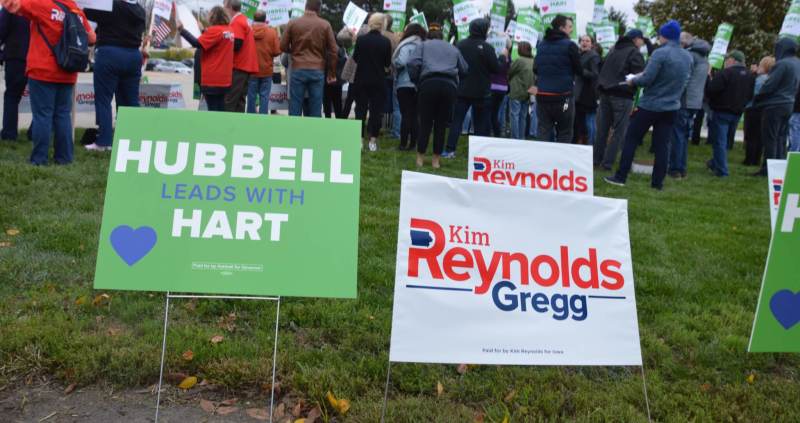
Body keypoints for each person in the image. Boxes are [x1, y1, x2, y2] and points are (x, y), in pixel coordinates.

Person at [1, 0, 95, 165]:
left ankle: (39, 159)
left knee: (42, 116)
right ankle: (64, 158)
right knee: (63, 115)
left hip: (42, 69)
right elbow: (92, 38)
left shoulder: (43, 4)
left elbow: (12, 4)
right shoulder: (76, 10)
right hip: (67, 71)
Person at [604, 20, 692, 191]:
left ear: (664, 36)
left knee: (631, 139)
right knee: (662, 145)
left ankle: (620, 177)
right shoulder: (687, 57)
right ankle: (657, 183)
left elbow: (647, 79)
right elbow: (685, 81)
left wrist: (633, 80)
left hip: (650, 105)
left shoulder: (660, 53)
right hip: (672, 107)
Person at [82, 0, 145, 152]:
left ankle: (104, 142)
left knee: (103, 100)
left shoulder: (111, 4)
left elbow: (87, 12)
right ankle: (133, 140)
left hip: (110, 53)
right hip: (134, 55)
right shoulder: (140, 10)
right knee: (130, 101)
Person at [407, 25, 468, 168]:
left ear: (429, 36)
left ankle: (420, 158)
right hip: (448, 86)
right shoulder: (453, 48)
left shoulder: (423, 45)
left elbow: (411, 63)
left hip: (428, 84)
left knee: (425, 123)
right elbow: (465, 69)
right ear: (442, 36)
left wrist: (416, 80)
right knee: (441, 124)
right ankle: (436, 160)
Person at [443, 18, 499, 158]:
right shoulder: (487, 48)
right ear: (483, 30)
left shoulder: (460, 45)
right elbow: (496, 69)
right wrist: (502, 59)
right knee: (480, 124)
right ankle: (479, 153)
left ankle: (450, 150)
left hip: (462, 89)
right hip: (482, 91)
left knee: (457, 121)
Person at [593, 29, 645, 169]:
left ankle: (596, 160)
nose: (642, 43)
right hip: (622, 95)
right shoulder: (634, 53)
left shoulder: (613, 50)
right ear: (636, 39)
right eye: (642, 39)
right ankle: (607, 163)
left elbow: (601, 68)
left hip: (605, 93)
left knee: (602, 130)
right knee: (618, 131)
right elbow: (640, 75)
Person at [280, 0, 337, 117]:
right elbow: (333, 51)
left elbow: (282, 46)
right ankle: (314, 129)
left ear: (305, 7)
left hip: (298, 68)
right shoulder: (325, 25)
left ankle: (294, 128)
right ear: (319, 9)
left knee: (295, 106)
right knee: (316, 107)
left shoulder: (293, 23)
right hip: (317, 69)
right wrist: (331, 73)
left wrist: (294, 51)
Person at [753, 37, 800, 176]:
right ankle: (779, 167)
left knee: (770, 138)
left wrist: (758, 98)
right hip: (789, 104)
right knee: (781, 138)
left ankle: (767, 169)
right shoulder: (797, 63)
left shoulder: (782, 64)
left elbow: (770, 85)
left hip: (775, 105)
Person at [533, 15, 582, 144]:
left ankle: (541, 157)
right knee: (565, 131)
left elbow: (535, 69)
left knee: (543, 130)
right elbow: (579, 70)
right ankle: (561, 158)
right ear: (561, 28)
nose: (572, 30)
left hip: (543, 98)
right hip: (564, 100)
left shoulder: (541, 45)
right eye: (569, 27)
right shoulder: (570, 45)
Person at [705, 50, 754, 177]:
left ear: (732, 60)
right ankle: (714, 163)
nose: (725, 62)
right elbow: (750, 94)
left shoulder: (725, 73)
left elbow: (711, 90)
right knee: (726, 141)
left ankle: (722, 170)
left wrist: (709, 79)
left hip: (721, 111)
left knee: (719, 142)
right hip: (737, 112)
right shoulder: (750, 75)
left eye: (727, 60)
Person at [668, 33, 709, 178]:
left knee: (677, 135)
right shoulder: (704, 58)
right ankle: (681, 168)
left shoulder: (690, 56)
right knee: (684, 136)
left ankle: (674, 168)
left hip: (684, 100)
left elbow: (684, 78)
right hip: (695, 102)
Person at [179, 7, 234, 112]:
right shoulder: (229, 30)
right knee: (221, 109)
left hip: (212, 79)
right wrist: (204, 30)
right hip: (225, 79)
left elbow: (197, 43)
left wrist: (182, 30)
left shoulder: (215, 30)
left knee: (212, 110)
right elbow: (216, 41)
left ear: (213, 17)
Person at [353, 13, 392, 152]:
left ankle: (359, 140)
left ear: (370, 23)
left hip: (361, 79)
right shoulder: (386, 42)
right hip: (378, 80)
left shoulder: (361, 40)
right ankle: (373, 141)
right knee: (376, 112)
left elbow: (355, 58)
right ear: (383, 24)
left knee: (360, 110)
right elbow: (387, 63)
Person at [393, 23, 426, 150]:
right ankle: (413, 143)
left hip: (404, 83)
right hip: (420, 84)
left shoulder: (406, 45)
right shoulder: (424, 45)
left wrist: (394, 62)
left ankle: (403, 143)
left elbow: (401, 61)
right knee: (415, 115)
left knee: (406, 114)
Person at [223, 0, 257, 112]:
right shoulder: (243, 19)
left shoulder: (237, 22)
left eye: (224, 7)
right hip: (245, 66)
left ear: (230, 8)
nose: (223, 11)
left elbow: (237, 44)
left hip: (239, 66)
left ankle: (226, 122)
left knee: (230, 100)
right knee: (240, 100)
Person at [0, 9, 29, 142]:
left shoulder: (13, 5)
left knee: (12, 95)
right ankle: (35, 132)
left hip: (16, 55)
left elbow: (2, 28)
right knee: (42, 100)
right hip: (38, 56)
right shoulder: (42, 4)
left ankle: (9, 133)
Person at [743, 57, 775, 166]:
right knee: (759, 136)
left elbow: (754, 94)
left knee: (751, 135)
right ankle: (756, 159)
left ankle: (749, 159)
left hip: (754, 108)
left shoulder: (760, 79)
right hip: (765, 109)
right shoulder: (771, 79)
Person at [247, 10, 280, 114]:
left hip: (251, 70)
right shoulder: (272, 32)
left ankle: (250, 118)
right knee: (264, 96)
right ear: (265, 19)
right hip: (266, 69)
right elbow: (277, 51)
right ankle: (263, 119)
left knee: (251, 96)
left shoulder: (247, 31)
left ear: (253, 19)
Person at [573, 34, 600, 145]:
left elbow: (595, 75)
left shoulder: (593, 56)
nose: (584, 42)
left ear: (592, 44)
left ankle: (592, 146)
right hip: (579, 94)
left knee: (590, 122)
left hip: (589, 94)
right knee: (579, 122)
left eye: (587, 41)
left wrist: (581, 71)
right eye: (582, 40)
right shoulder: (580, 55)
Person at [507, 41, 534, 140]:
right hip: (528, 93)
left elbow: (510, 72)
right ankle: (521, 138)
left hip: (516, 91)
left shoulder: (519, 60)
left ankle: (515, 138)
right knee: (523, 117)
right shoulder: (533, 61)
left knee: (514, 115)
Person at [323, 33, 347, 119]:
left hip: (327, 79)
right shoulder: (342, 50)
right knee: (338, 103)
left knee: (327, 102)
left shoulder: (325, 49)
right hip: (338, 80)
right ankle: (338, 120)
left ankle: (328, 120)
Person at [490, 48, 511, 137]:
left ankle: (493, 131)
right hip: (503, 89)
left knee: (492, 112)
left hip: (493, 87)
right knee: (499, 110)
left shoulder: (496, 61)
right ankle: (498, 131)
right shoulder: (508, 62)